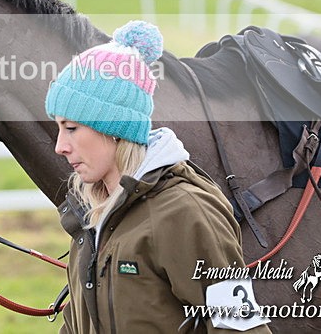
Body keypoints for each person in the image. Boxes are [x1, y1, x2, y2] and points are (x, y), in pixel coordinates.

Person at [45, 21, 271, 333]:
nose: (60, 146)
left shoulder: (186, 212)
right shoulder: (92, 216)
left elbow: (238, 328)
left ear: (114, 128)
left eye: (71, 128)